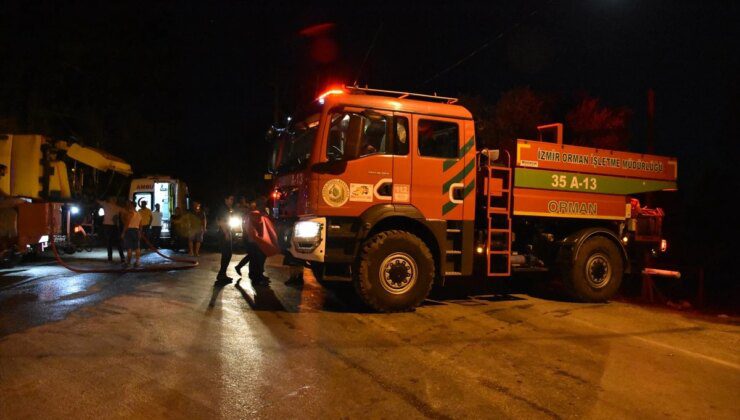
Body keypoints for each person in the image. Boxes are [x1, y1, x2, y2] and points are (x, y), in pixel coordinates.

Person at [246, 197, 269, 284]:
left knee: (256, 259)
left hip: (257, 240)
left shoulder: (260, 212)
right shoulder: (257, 213)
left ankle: (257, 275)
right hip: (257, 240)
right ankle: (257, 277)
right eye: (264, 203)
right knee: (257, 259)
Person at [96, 196, 125, 263]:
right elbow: (98, 201)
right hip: (110, 226)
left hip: (111, 226)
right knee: (112, 242)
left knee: (113, 242)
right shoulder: (108, 205)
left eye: (115, 199)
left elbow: (97, 201)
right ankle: (114, 258)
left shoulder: (115, 207)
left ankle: (117, 258)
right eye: (113, 199)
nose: (114, 200)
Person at [215, 195, 235, 282]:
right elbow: (222, 221)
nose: (232, 201)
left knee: (227, 254)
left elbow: (218, 220)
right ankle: (221, 274)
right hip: (224, 233)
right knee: (227, 254)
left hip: (225, 232)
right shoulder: (224, 209)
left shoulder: (226, 209)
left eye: (233, 199)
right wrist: (226, 233)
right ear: (226, 199)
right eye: (230, 199)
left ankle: (222, 274)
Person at [234, 200, 255, 276]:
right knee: (251, 255)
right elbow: (247, 228)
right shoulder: (247, 216)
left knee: (251, 255)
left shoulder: (246, 215)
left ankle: (248, 271)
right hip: (248, 237)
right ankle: (240, 267)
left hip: (248, 237)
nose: (245, 209)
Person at [121, 201, 142, 267]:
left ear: (132, 205)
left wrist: (123, 233)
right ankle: (137, 262)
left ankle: (128, 263)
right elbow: (141, 225)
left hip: (129, 230)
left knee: (129, 248)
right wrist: (139, 232)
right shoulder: (139, 214)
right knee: (137, 247)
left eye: (129, 205)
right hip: (136, 230)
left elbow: (127, 224)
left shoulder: (130, 213)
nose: (127, 206)